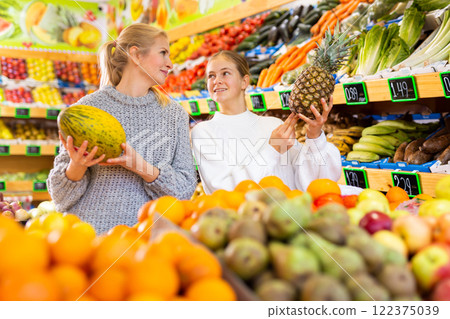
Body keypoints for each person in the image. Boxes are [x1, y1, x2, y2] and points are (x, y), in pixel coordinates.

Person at [48, 24, 197, 234]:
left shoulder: (175, 115)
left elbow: (184, 191)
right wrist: (77, 165)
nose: (170, 63)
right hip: (87, 240)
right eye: (163, 53)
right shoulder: (85, 109)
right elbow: (60, 198)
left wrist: (142, 168)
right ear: (136, 55)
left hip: (146, 241)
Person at [191, 50, 342, 195]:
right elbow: (224, 191)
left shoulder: (273, 125)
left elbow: (310, 181)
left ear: (244, 82)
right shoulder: (204, 132)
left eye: (225, 73)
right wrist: (272, 150)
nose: (216, 81)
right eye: (211, 76)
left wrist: (314, 134)